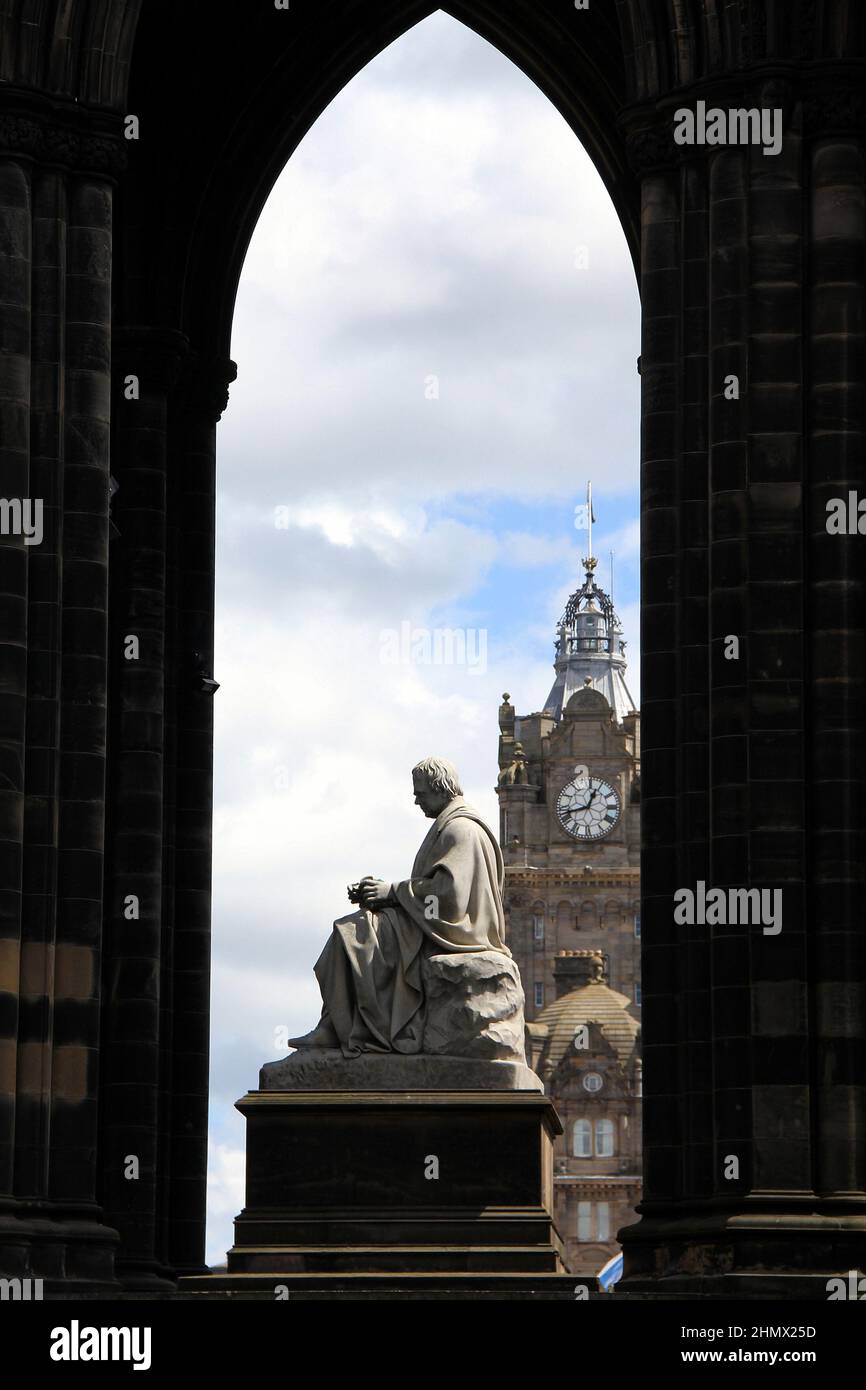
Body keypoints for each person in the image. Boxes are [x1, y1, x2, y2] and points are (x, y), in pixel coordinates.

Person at [287, 755, 510, 1057]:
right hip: (434, 922)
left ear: (439, 788)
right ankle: (337, 1024)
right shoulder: (450, 825)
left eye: (421, 794)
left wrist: (392, 892)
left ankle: (348, 1028)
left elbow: (448, 896)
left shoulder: (461, 830)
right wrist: (382, 894)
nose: (417, 802)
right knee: (358, 927)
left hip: (453, 932)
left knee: (353, 934)